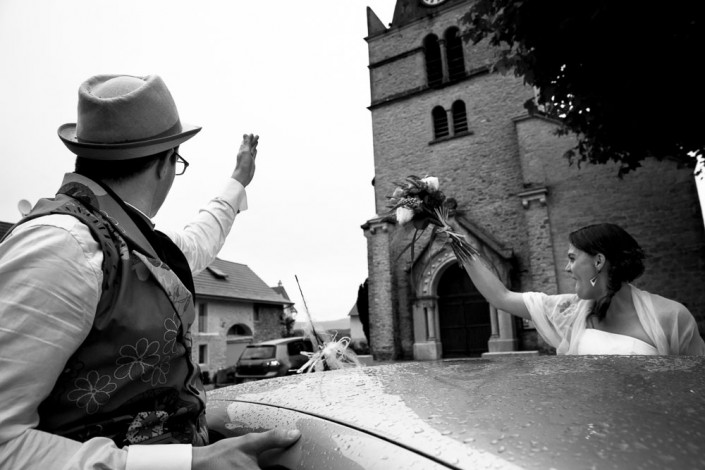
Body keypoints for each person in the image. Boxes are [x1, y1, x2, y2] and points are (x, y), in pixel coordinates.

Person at [0, 74, 300, 469]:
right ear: (166, 163)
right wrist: (185, 464)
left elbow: (199, 238)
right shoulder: (62, 245)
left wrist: (238, 180)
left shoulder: (128, 238)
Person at [457, 223, 705, 355]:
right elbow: (500, 297)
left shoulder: (672, 317)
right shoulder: (569, 310)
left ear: (598, 261)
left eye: (573, 258)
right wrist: (456, 240)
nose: (566, 267)